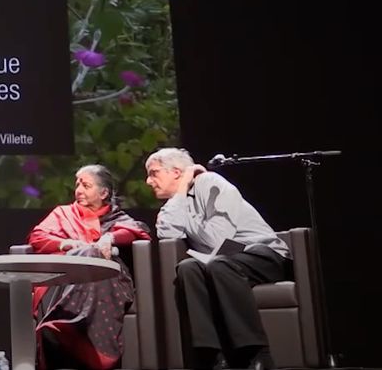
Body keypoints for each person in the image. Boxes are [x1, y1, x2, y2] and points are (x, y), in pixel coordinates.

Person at [146, 147, 291, 370]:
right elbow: (168, 235)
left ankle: (254, 353)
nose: (148, 181)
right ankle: (211, 357)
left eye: (154, 173)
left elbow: (218, 240)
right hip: (223, 260)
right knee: (187, 268)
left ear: (176, 171)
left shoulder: (212, 183)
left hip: (262, 253)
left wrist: (186, 192)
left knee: (219, 265)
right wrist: (183, 188)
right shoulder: (176, 203)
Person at [27, 164, 152, 370]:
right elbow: (38, 237)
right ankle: (64, 325)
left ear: (104, 192)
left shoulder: (117, 219)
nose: (78, 190)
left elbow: (138, 231)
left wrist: (109, 237)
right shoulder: (63, 213)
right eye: (77, 185)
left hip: (108, 281)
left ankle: (69, 330)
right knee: (87, 253)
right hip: (63, 280)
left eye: (86, 185)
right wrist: (67, 244)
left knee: (92, 254)